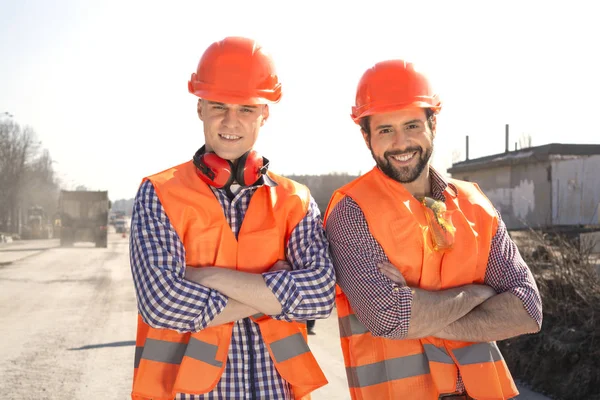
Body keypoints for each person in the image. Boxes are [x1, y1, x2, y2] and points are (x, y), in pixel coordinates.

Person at [129, 36, 336, 400]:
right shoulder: (160, 193)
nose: (230, 121)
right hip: (187, 392)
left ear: (265, 113)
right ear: (200, 108)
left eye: (246, 109)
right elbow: (162, 303)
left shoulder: (295, 200)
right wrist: (272, 294)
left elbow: (320, 295)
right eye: (219, 106)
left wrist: (208, 277)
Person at [323, 60, 542, 400]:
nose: (401, 143)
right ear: (366, 136)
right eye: (385, 130)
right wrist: (476, 294)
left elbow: (528, 311)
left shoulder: (474, 205)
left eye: (412, 125)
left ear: (433, 124)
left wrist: (419, 311)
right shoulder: (352, 211)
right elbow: (389, 318)